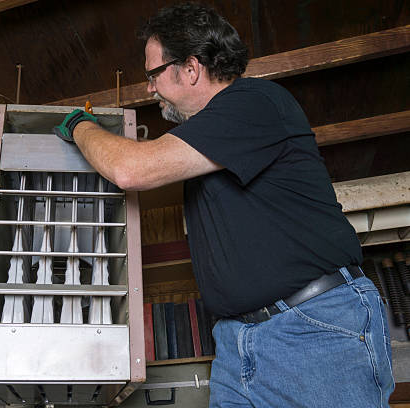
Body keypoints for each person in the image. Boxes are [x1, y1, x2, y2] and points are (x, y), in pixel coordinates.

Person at [54, 3, 394, 407]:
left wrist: (79, 125)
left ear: (192, 68)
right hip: (236, 342)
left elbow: (131, 169)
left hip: (312, 328)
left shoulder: (254, 102)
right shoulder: (211, 141)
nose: (149, 88)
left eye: (153, 74)